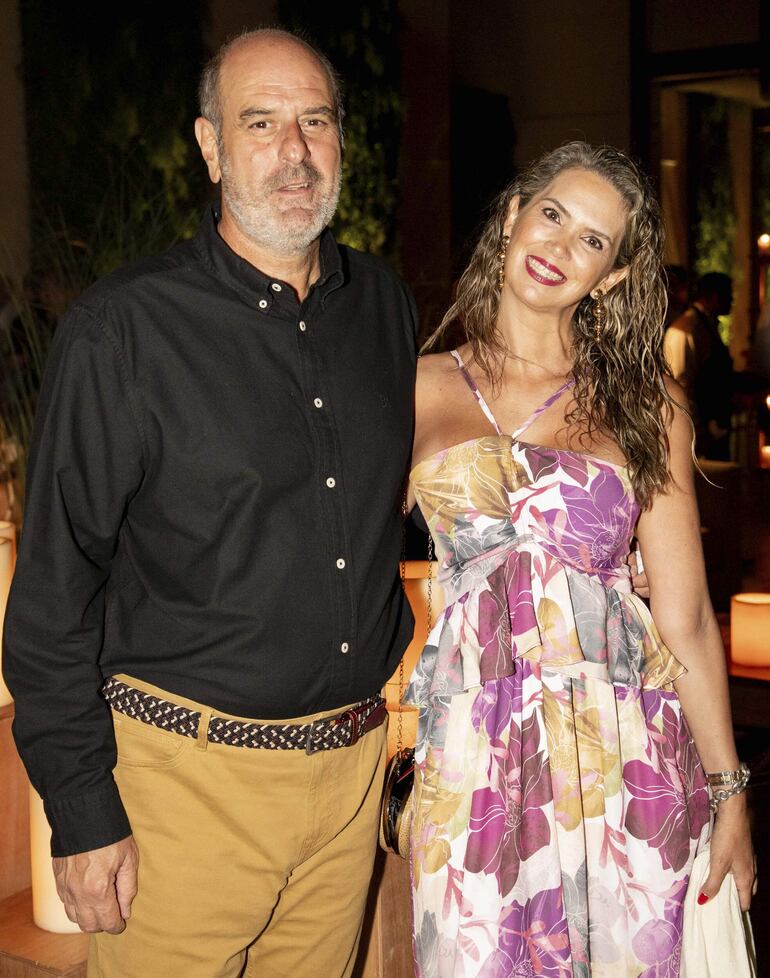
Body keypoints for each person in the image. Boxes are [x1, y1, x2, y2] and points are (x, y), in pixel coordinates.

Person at [4, 28, 417, 978]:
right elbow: (54, 592)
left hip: (350, 783)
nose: (295, 152)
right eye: (260, 123)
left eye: (316, 121)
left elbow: (412, 491)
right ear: (210, 145)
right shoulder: (123, 331)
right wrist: (81, 809)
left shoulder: (383, 307)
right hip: (182, 791)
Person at [406, 142, 755, 976]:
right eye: (553, 215)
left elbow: (683, 617)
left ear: (612, 276)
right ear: (512, 218)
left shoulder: (646, 405)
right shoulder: (413, 387)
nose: (560, 246)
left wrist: (729, 792)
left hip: (629, 757)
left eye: (593, 240)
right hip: (474, 761)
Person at [664, 271, 734, 459]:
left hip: (712, 426)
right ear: (714, 296)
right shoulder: (686, 329)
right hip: (698, 430)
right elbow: (680, 382)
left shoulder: (706, 325)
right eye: (729, 295)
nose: (732, 301)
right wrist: (694, 430)